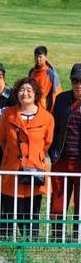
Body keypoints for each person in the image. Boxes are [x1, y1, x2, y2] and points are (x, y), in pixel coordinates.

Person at [0, 77, 54, 238]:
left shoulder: (47, 117)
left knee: (32, 211)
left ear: (36, 94)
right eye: (22, 90)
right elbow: (1, 139)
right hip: (11, 170)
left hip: (35, 170)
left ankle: (31, 242)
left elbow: (47, 142)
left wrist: (34, 156)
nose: (25, 93)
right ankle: (7, 243)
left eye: (29, 90)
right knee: (9, 209)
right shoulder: (7, 114)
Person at [48, 64, 81, 237]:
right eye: (75, 80)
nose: (79, 85)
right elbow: (53, 126)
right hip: (61, 158)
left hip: (79, 162)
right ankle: (57, 234)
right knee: (58, 199)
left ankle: (78, 235)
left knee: (80, 202)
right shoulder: (61, 99)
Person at [29, 46, 62, 111]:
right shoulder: (32, 72)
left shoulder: (50, 74)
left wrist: (53, 110)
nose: (38, 59)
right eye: (36, 56)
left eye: (40, 57)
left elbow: (56, 93)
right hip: (32, 106)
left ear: (46, 57)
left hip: (45, 109)